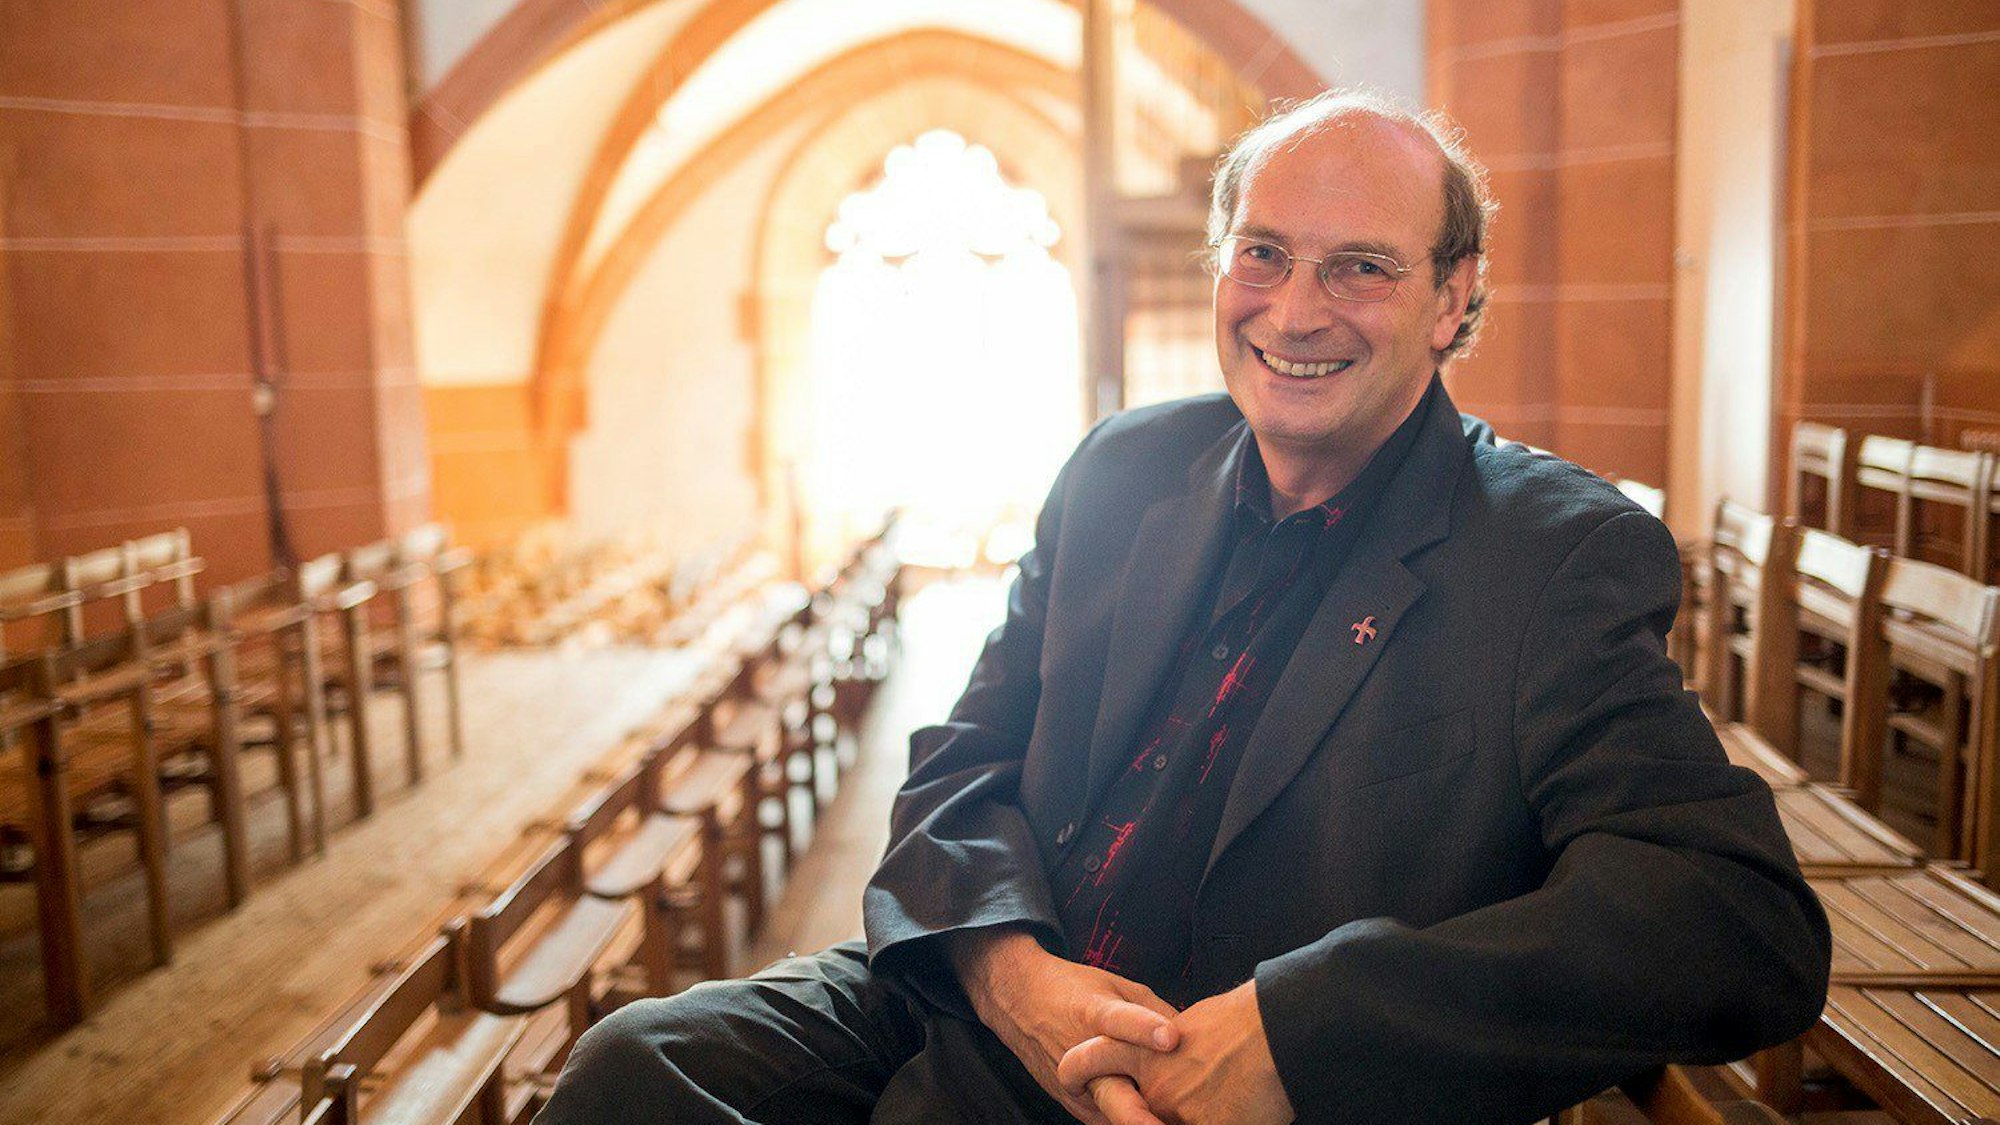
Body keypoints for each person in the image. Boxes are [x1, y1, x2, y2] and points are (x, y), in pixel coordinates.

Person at [536, 88, 1829, 1125]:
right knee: (635, 1065)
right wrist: (1008, 969)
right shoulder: (1121, 468)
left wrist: (1299, 1027)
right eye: (1262, 253)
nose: (1295, 309)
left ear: (1454, 298)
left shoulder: (1554, 551)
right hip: (989, 998)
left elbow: (1733, 915)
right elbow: (962, 765)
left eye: (1360, 268)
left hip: (1212, 1082)